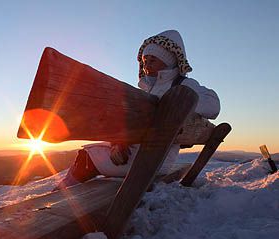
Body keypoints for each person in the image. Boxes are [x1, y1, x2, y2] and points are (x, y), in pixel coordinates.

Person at [56, 30, 220, 189]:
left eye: (153, 60)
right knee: (89, 158)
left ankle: (56, 201)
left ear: (169, 61)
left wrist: (175, 103)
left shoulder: (183, 84)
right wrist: (118, 142)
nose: (146, 64)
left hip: (149, 161)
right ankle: (61, 197)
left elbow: (214, 106)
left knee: (86, 158)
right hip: (144, 157)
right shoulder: (149, 88)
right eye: (145, 60)